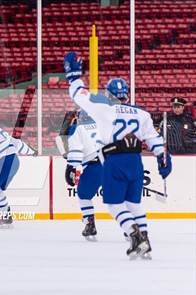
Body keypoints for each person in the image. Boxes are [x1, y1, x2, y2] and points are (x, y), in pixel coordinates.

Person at [64, 52, 172, 259]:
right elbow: (155, 141)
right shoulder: (143, 113)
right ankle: (145, 240)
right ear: (127, 94)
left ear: (109, 94)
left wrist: (73, 77)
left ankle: (134, 235)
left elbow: (78, 94)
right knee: (134, 203)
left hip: (114, 159)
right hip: (136, 160)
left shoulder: (104, 108)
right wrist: (163, 158)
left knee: (114, 204)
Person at [65, 110, 103, 241]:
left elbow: (76, 150)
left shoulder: (78, 128)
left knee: (83, 194)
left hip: (95, 165)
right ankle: (132, 227)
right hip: (115, 163)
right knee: (120, 199)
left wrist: (71, 166)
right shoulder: (104, 125)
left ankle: (89, 223)